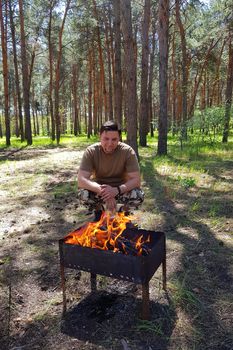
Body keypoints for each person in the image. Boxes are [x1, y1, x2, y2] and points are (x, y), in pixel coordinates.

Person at [77, 120, 144, 220]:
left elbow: (136, 180)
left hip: (121, 189)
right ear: (100, 136)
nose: (110, 143)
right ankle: (99, 212)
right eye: (106, 139)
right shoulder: (91, 151)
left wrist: (116, 190)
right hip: (99, 190)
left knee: (138, 195)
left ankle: (123, 213)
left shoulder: (127, 151)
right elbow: (81, 180)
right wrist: (106, 193)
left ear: (119, 138)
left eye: (114, 139)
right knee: (83, 195)